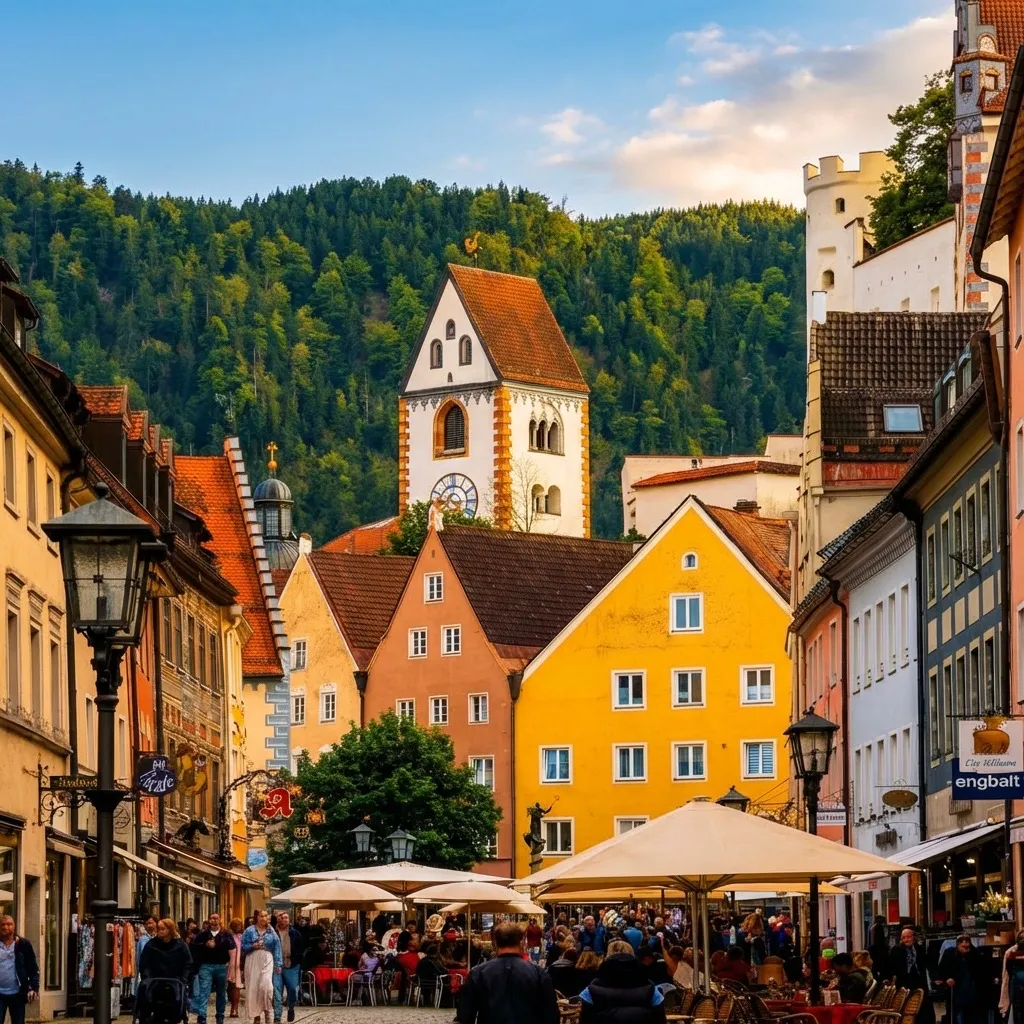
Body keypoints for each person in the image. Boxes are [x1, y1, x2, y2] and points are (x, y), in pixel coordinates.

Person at [456, 921, 559, 1024]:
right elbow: (551, 1015)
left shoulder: (478, 974)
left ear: (495, 943)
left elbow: (465, 1015)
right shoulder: (538, 974)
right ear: (521, 942)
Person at [579, 940, 665, 1023]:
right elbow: (660, 1018)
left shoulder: (593, 988)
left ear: (607, 955)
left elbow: (585, 1019)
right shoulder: (649, 987)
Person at [191, 912, 235, 1024]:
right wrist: (205, 945)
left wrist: (232, 967)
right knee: (204, 991)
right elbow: (195, 948)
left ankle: (220, 1015)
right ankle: (202, 1016)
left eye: (216, 918)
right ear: (209, 920)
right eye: (212, 918)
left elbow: (232, 949)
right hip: (206, 965)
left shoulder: (226, 934)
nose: (214, 920)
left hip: (222, 966)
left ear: (220, 920)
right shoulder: (202, 934)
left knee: (221, 992)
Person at [241, 911, 282, 1024]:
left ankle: (267, 1011)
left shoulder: (271, 931)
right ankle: (256, 1015)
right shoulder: (249, 930)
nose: (264, 918)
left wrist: (278, 963)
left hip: (267, 958)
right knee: (254, 988)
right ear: (257, 918)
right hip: (253, 959)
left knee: (266, 987)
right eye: (261, 916)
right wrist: (252, 946)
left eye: (265, 916)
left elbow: (277, 947)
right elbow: (243, 946)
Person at [888, 927, 933, 1024]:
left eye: (908, 937)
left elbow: (926, 963)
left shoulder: (919, 949)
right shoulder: (896, 950)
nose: (906, 939)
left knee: (922, 1006)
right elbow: (891, 966)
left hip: (919, 981)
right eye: (904, 937)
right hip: (903, 982)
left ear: (913, 937)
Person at [937, 935, 984, 1024]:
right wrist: (946, 979)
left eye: (967, 944)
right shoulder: (950, 953)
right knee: (954, 1013)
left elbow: (979, 969)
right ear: (958, 944)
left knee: (970, 1013)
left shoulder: (974, 953)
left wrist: (968, 954)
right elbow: (942, 969)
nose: (965, 947)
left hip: (970, 987)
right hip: (955, 988)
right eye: (962, 945)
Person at [0, 915, 38, 1024]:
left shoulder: (23, 944)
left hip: (18, 992)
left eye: (9, 924)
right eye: (3, 924)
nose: (5, 927)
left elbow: (32, 967)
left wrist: (33, 987)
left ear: (14, 926)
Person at [272, 911, 304, 1024]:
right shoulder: (273, 933)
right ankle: (277, 1016)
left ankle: (291, 1007)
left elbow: (301, 949)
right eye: (282, 917)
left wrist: (298, 961)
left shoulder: (295, 933)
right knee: (277, 991)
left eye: (286, 917)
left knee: (292, 989)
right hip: (276, 966)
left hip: (292, 965)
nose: (284, 920)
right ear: (278, 920)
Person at [1000, 930, 1024, 1024]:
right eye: (1021, 937)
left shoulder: (1011, 954)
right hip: (1017, 990)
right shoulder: (1010, 953)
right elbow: (1007, 974)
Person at [226, 919, 244, 1019]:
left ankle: (234, 1009)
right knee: (231, 987)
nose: (238, 927)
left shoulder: (242, 937)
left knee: (236, 986)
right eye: (236, 926)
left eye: (239, 926)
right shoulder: (228, 936)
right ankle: (233, 1008)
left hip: (237, 964)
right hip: (229, 963)